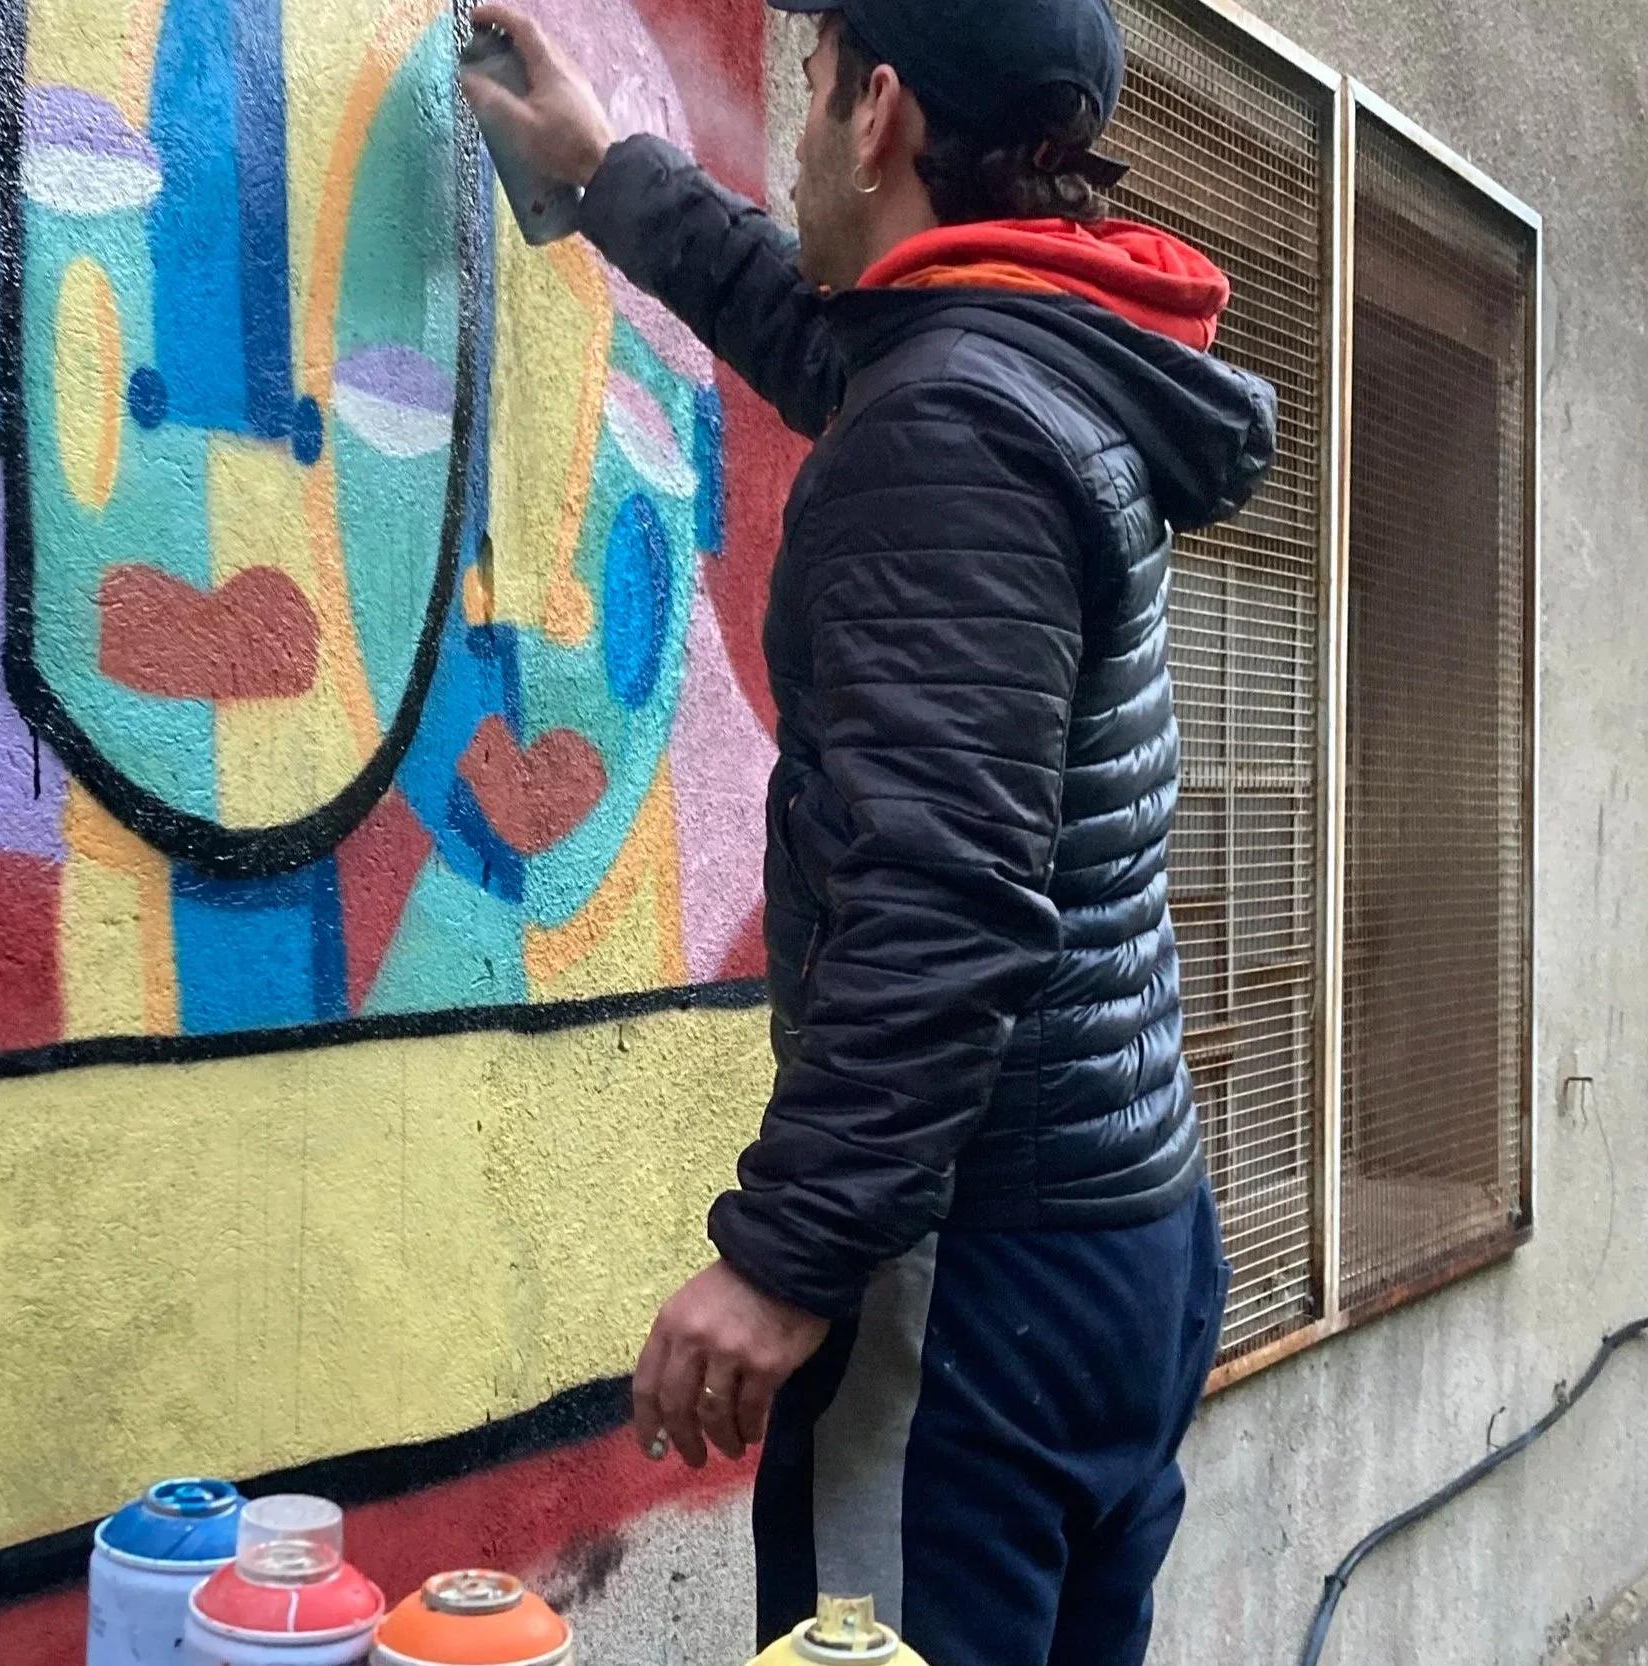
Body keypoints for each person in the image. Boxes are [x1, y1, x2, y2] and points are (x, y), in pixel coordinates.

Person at [461, 2, 1272, 1660]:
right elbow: (831, 335)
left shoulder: (952, 435)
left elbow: (946, 904)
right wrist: (601, 170)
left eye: (815, 82)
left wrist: (784, 1261)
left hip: (982, 1274)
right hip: (1120, 1226)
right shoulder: (1039, 353)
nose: (804, 114)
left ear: (878, 107)